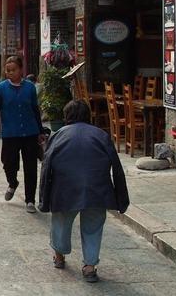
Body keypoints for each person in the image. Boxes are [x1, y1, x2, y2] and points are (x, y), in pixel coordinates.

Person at [39, 100, 129, 283]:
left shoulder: (58, 135)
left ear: (66, 117)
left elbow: (46, 167)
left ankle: (59, 256)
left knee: (61, 223)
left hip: (65, 189)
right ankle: (89, 266)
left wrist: (44, 198)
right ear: (89, 116)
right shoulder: (101, 135)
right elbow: (117, 168)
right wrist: (121, 198)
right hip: (97, 190)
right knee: (93, 227)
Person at [0, 56, 46, 213]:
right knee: (8, 163)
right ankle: (12, 182)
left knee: (31, 167)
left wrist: (40, 131)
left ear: (21, 70)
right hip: (10, 134)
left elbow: (35, 110)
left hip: (30, 133)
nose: (10, 73)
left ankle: (30, 200)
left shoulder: (30, 88)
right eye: (8, 70)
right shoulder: (1, 88)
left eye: (14, 70)